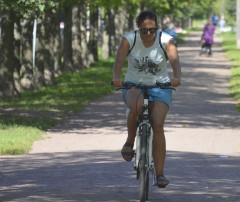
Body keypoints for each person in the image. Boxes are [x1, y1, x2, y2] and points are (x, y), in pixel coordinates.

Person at [112, 10, 181, 188]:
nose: (149, 34)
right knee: (136, 106)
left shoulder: (166, 40)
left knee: (157, 123)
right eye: (144, 30)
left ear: (157, 28)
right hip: (133, 84)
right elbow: (119, 59)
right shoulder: (129, 39)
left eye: (152, 30)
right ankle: (129, 141)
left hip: (161, 86)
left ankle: (160, 174)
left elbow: (174, 60)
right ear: (139, 28)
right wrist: (116, 76)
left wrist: (177, 77)